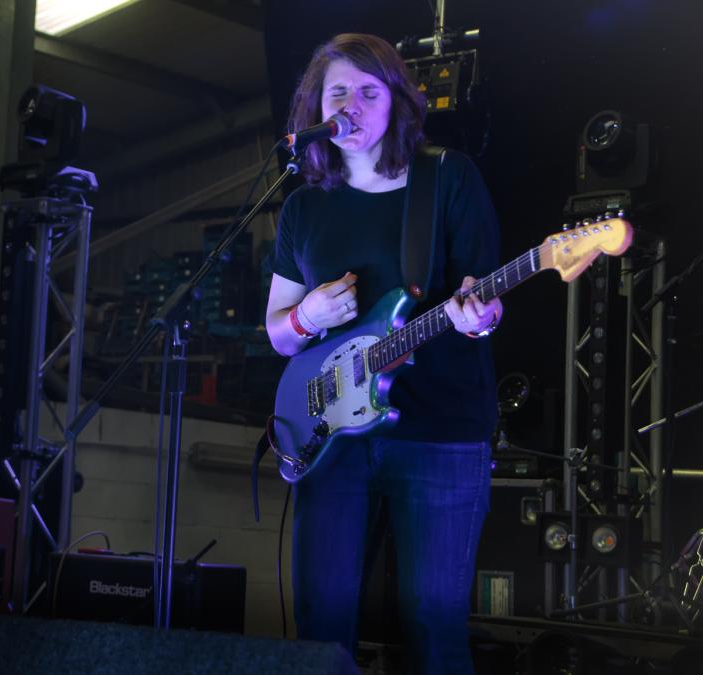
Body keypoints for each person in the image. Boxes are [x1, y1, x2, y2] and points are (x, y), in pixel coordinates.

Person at [265, 34, 502, 673]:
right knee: (320, 628)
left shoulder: (447, 177)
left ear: (398, 103)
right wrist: (308, 315)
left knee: (433, 628)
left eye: (370, 92)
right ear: (314, 106)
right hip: (331, 438)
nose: (352, 105)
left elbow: (482, 299)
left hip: (440, 431)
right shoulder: (303, 207)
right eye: (337, 92)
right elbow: (279, 333)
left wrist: (477, 317)